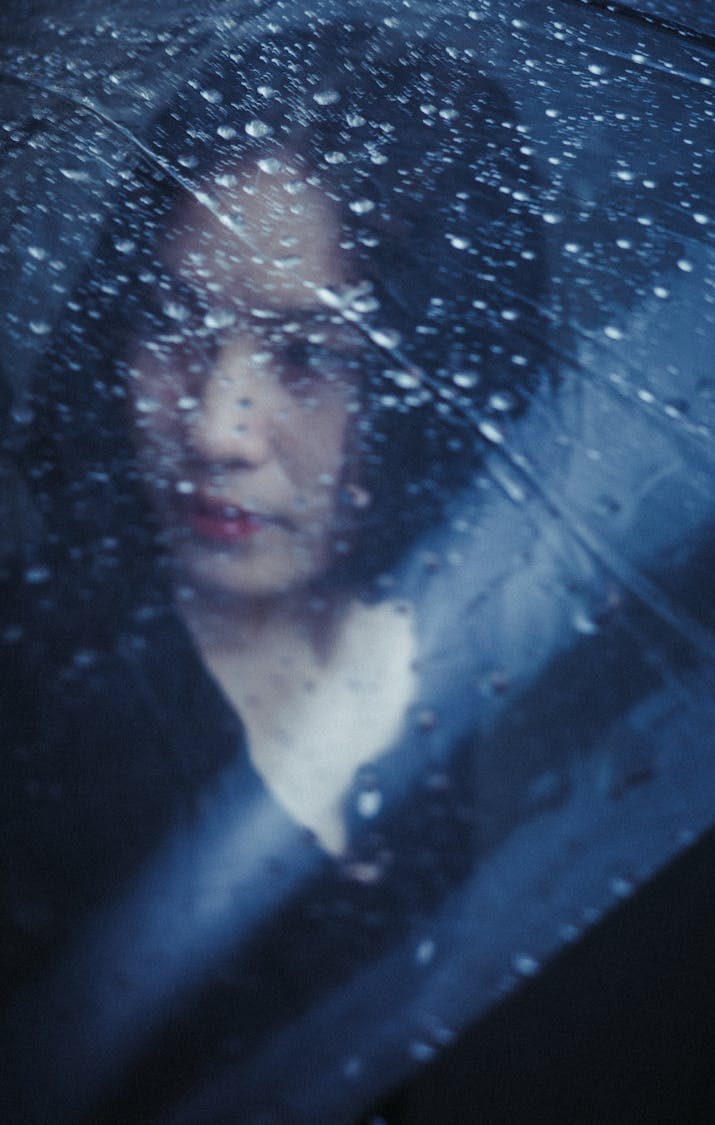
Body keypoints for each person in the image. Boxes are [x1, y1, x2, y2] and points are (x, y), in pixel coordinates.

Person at [1, 20, 552, 1124]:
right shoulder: (33, 697)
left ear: (439, 373)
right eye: (171, 323)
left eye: (310, 356)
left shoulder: (425, 661)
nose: (217, 425)